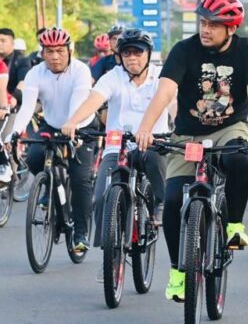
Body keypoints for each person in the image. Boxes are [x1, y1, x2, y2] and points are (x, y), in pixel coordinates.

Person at [134, 0, 248, 303]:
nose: (205, 30)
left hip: (229, 128)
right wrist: (145, 130)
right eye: (202, 23)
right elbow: (164, 91)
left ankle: (235, 225)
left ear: (231, 28)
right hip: (187, 135)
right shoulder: (184, 50)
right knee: (172, 202)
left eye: (213, 25)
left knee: (240, 159)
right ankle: (178, 273)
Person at [61, 29, 171, 281]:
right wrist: (73, 122)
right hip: (117, 146)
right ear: (119, 56)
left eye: (137, 52)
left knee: (156, 162)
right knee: (100, 196)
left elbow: (173, 102)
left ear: (148, 55)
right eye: (127, 53)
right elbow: (93, 100)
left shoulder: (161, 76)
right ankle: (110, 255)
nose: (132, 58)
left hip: (153, 144)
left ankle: (159, 205)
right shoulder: (113, 77)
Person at [6, 28, 98, 252]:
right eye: (49, 51)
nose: (55, 56)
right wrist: (12, 134)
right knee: (34, 157)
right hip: (52, 124)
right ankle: (50, 187)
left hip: (81, 126)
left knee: (80, 179)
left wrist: (72, 126)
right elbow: (27, 108)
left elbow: (77, 104)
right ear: (42, 52)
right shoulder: (35, 73)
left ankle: (80, 233)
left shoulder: (81, 71)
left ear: (69, 50)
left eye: (59, 51)